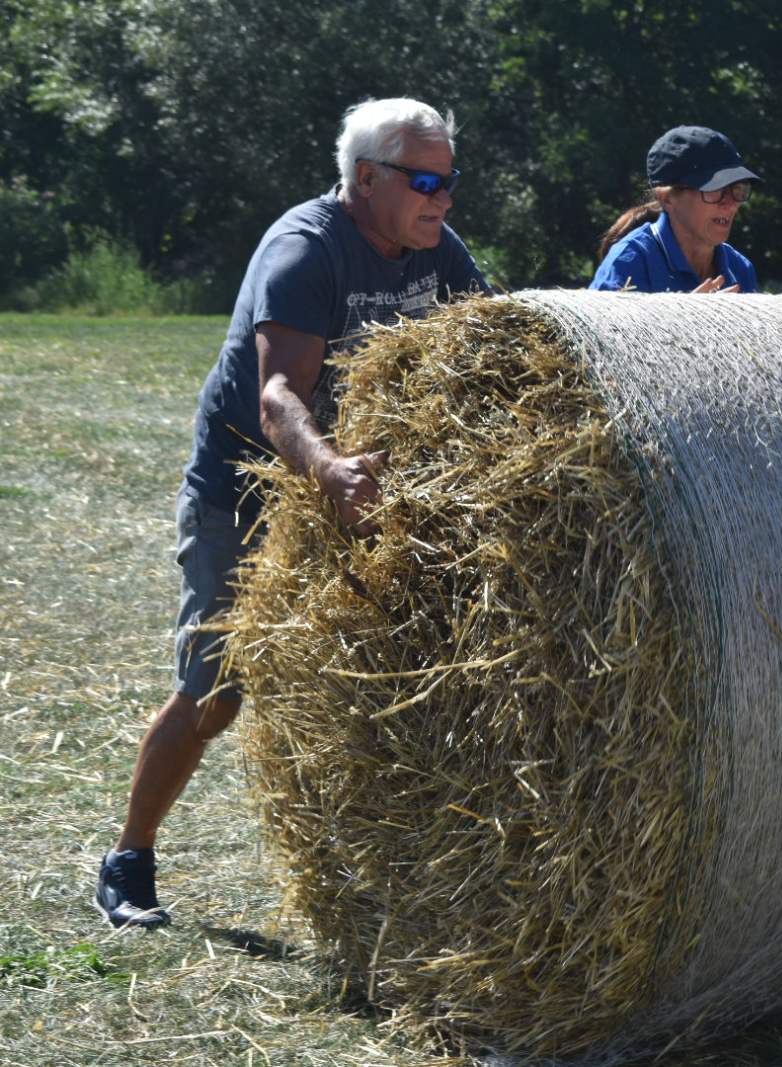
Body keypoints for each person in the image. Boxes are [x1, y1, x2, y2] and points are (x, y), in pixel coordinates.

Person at [93, 98, 488, 929]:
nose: (444, 198)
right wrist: (330, 471)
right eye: (426, 181)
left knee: (381, 676)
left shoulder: (436, 250)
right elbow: (278, 398)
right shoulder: (306, 250)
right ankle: (128, 856)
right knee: (216, 693)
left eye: (450, 181)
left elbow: (489, 345)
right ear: (367, 178)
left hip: (356, 492)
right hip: (247, 491)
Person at [590, 125, 760, 294]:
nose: (730, 204)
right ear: (667, 198)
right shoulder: (628, 263)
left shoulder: (740, 269)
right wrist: (686, 318)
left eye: (737, 189)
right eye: (714, 190)